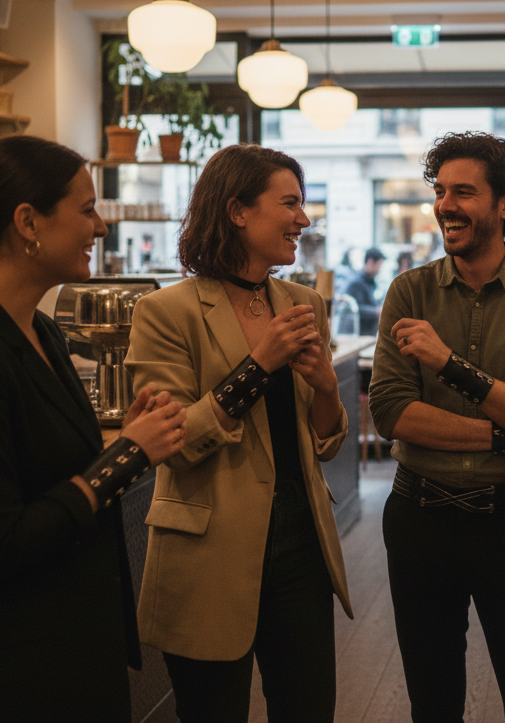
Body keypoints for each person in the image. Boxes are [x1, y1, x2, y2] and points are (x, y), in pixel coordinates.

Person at [0, 135, 187, 722]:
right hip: (4, 677)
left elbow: (53, 470)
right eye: (86, 209)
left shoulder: (43, 331)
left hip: (69, 651)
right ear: (28, 222)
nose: (101, 227)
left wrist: (123, 437)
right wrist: (125, 457)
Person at [126, 144, 354, 722]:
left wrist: (327, 387)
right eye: (290, 204)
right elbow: (171, 440)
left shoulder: (304, 303)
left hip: (302, 542)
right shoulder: (165, 312)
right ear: (237, 210)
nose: (303, 219)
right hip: (207, 551)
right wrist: (259, 365)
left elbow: (325, 442)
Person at [368, 131, 505, 722]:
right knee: (432, 702)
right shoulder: (408, 290)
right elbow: (391, 413)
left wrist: (447, 364)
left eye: (463, 192)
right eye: (440, 191)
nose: (444, 205)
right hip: (418, 519)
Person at [345, 246, 386, 335]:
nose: (379, 269)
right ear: (370, 262)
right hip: (357, 333)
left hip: (367, 333)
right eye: (379, 265)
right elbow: (353, 309)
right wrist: (376, 311)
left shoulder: (372, 282)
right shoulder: (356, 282)